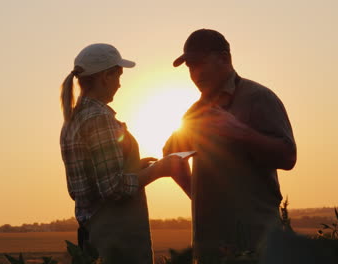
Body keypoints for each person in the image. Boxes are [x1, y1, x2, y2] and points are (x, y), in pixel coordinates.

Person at [163, 29, 297, 261]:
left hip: (257, 244)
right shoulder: (195, 113)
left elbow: (288, 156)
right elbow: (170, 156)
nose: (195, 73)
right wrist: (199, 197)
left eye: (200, 63)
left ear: (224, 58)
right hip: (210, 247)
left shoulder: (258, 98)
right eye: (190, 67)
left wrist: (241, 132)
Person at [60, 43, 185, 263]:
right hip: (116, 240)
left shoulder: (73, 119)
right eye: (118, 75)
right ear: (105, 77)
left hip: (93, 234)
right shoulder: (99, 118)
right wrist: (161, 169)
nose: (119, 83)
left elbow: (87, 185)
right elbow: (112, 187)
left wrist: (134, 167)